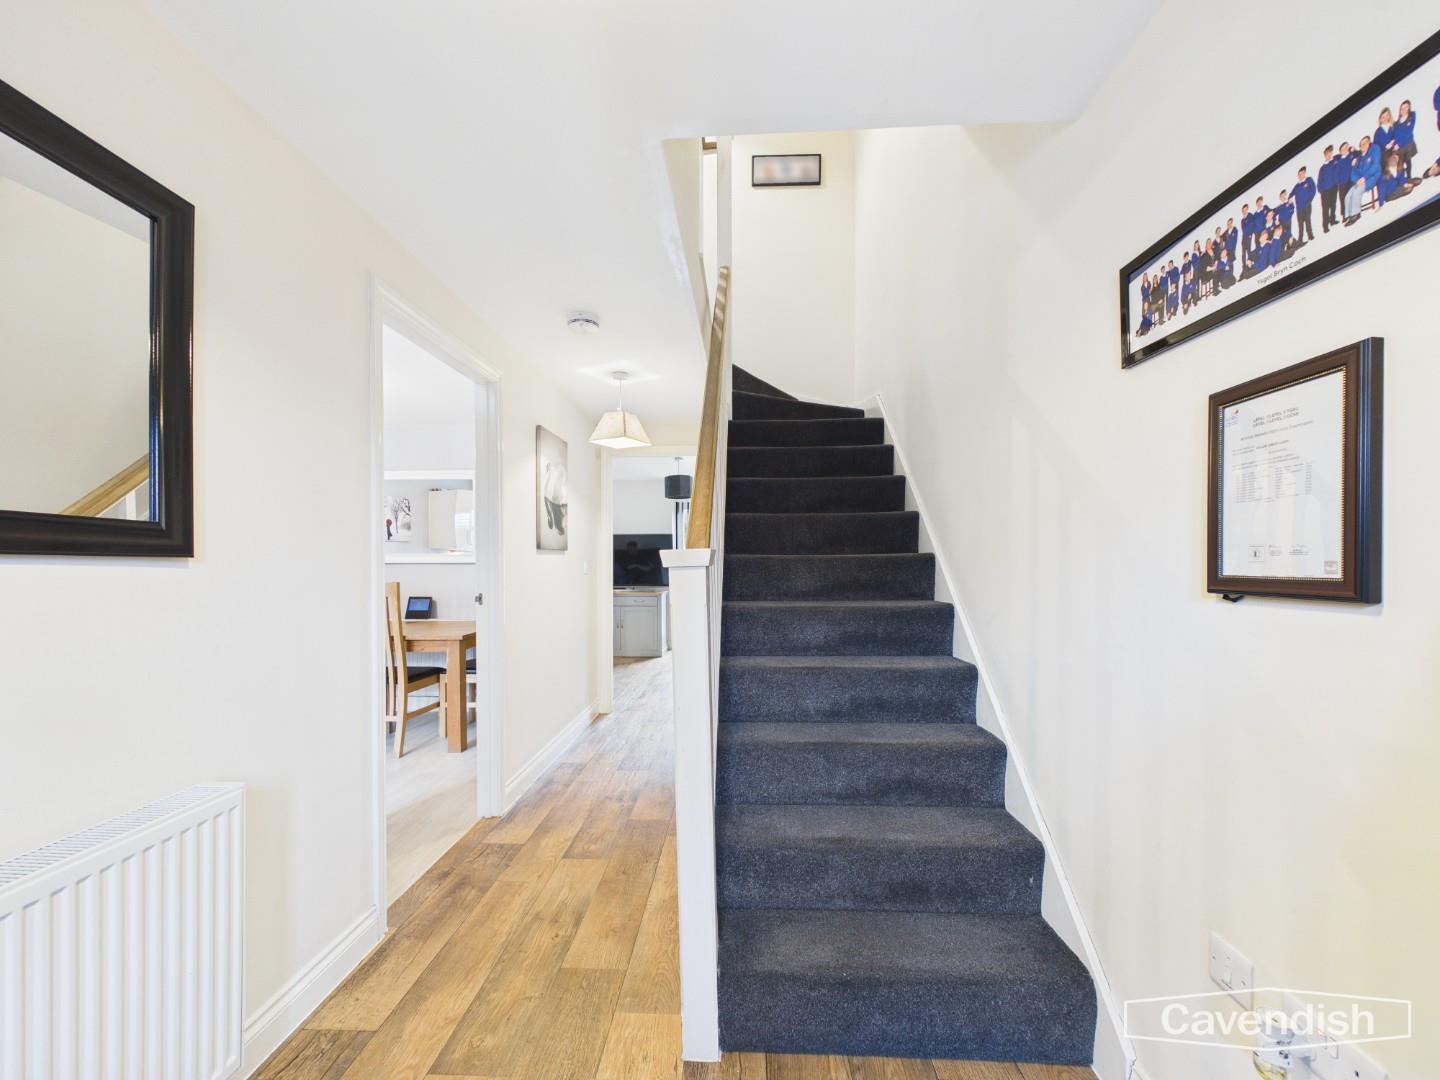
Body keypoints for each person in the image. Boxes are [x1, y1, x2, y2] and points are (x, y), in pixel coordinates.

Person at [1345, 135, 1380, 223]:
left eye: (1364, 143)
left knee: (1356, 192)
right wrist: (1357, 179)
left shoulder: (1374, 150)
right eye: (1361, 145)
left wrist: (1364, 178)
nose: (1362, 146)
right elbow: (1354, 173)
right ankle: (1348, 216)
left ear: (1369, 143)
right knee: (1348, 195)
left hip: (1371, 177)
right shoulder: (1360, 158)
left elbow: (1375, 166)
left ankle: (1356, 214)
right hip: (1361, 181)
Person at [1317, 146, 1340, 232]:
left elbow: (1340, 155)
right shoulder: (1322, 168)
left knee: (1333, 205)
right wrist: (1320, 190)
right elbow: (1319, 180)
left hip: (1333, 187)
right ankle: (1325, 226)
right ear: (1325, 155)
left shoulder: (1334, 162)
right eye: (1327, 154)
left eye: (1330, 153)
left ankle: (1332, 220)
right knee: (1325, 208)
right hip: (1325, 191)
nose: (1329, 155)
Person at [1292, 166, 1316, 244]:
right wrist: (1289, 198)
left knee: (1308, 221)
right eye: (1299, 174)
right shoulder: (1297, 185)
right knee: (1300, 224)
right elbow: (1292, 193)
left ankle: (1310, 235)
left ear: (1304, 173)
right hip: (1299, 208)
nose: (1300, 176)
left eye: (1301, 174)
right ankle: (1300, 239)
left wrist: (1309, 200)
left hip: (1307, 206)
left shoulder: (1309, 180)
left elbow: (1313, 190)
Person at [1394, 100, 1418, 178]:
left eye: (1406, 107)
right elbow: (1395, 136)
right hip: (1400, 147)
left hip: (1408, 144)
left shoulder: (1411, 116)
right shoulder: (1396, 123)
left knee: (1408, 160)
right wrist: (1396, 144)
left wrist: (1399, 143)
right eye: (1402, 108)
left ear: (1409, 108)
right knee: (1399, 164)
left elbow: (1408, 131)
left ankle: (1409, 177)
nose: (1404, 109)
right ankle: (1402, 178)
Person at [1335, 141, 1355, 215]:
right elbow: (1337, 173)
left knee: (1351, 196)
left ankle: (1352, 213)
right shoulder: (1338, 160)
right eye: (1343, 149)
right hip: (1342, 183)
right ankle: (1344, 215)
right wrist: (1338, 182)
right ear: (1340, 151)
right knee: (1342, 199)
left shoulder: (1351, 156)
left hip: (1351, 180)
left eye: (1347, 147)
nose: (1346, 149)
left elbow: (1359, 154)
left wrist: (1354, 150)